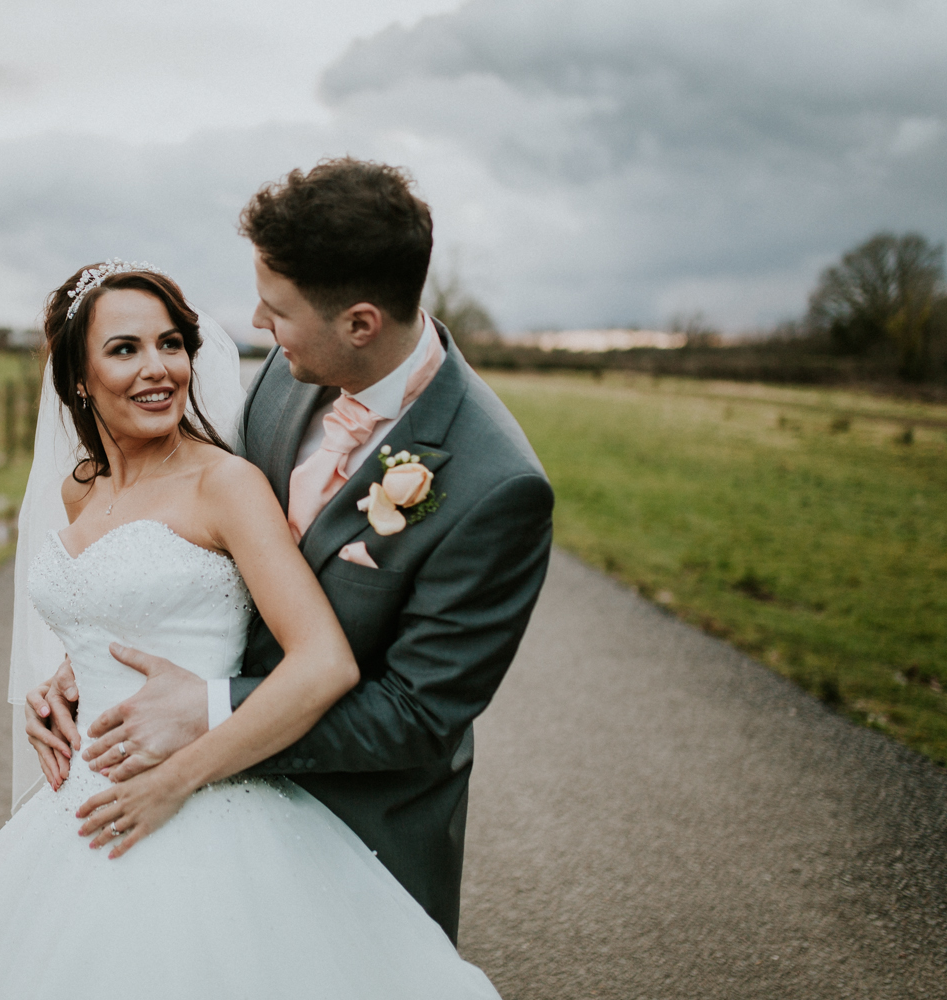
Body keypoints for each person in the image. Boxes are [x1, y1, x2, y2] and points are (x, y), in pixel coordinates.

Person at [0, 258, 501, 998]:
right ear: (78, 380)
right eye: (124, 350)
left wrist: (175, 782)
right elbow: (111, 611)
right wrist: (61, 683)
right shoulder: (77, 487)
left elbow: (324, 663)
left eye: (171, 343)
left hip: (203, 802)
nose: (158, 369)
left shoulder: (225, 485)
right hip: (76, 814)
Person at [28, 158, 554, 941]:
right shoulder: (292, 366)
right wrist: (96, 661)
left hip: (357, 819)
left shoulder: (495, 485)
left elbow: (412, 716)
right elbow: (199, 557)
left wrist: (204, 720)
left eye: (277, 310)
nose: (258, 325)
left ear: (361, 323)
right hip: (173, 783)